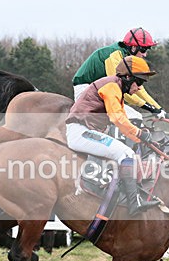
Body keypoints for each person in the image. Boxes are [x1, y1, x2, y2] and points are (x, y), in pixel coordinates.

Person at [65, 55, 161, 216]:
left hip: (87, 130)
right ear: (128, 77)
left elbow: (123, 122)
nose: (139, 88)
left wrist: (144, 141)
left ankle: (128, 197)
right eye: (139, 82)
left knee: (126, 153)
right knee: (126, 153)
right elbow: (117, 118)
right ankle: (133, 202)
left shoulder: (116, 88)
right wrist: (140, 134)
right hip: (81, 132)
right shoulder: (111, 87)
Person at [72, 28, 165, 121]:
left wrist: (159, 108)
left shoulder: (127, 58)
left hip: (98, 91)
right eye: (143, 50)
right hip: (86, 92)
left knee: (133, 116)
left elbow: (138, 89)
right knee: (134, 117)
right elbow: (119, 88)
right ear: (133, 48)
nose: (145, 54)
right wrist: (149, 108)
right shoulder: (115, 55)